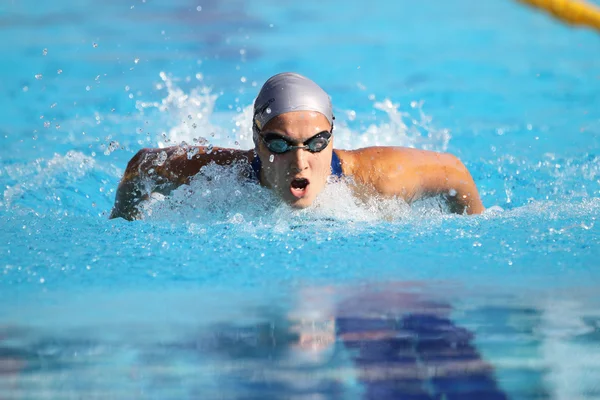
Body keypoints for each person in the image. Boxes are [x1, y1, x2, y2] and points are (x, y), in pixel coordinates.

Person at [110, 72, 484, 220]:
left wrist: (474, 231)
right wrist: (123, 223)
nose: (300, 161)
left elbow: (454, 171)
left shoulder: (379, 180)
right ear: (256, 141)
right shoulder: (216, 175)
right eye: (280, 143)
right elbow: (142, 166)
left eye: (316, 143)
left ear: (332, 138)